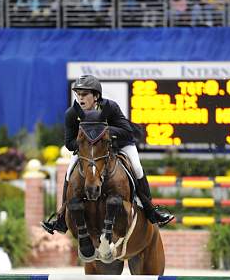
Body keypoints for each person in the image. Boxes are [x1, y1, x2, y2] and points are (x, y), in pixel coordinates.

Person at [41, 75, 174, 235]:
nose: (80, 98)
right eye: (78, 94)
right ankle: (61, 217)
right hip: (89, 152)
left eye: (85, 94)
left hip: (119, 145)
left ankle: (151, 209)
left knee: (137, 168)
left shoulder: (110, 107)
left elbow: (127, 131)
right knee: (69, 173)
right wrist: (86, 143)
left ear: (96, 96)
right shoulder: (72, 114)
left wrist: (104, 134)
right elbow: (69, 143)